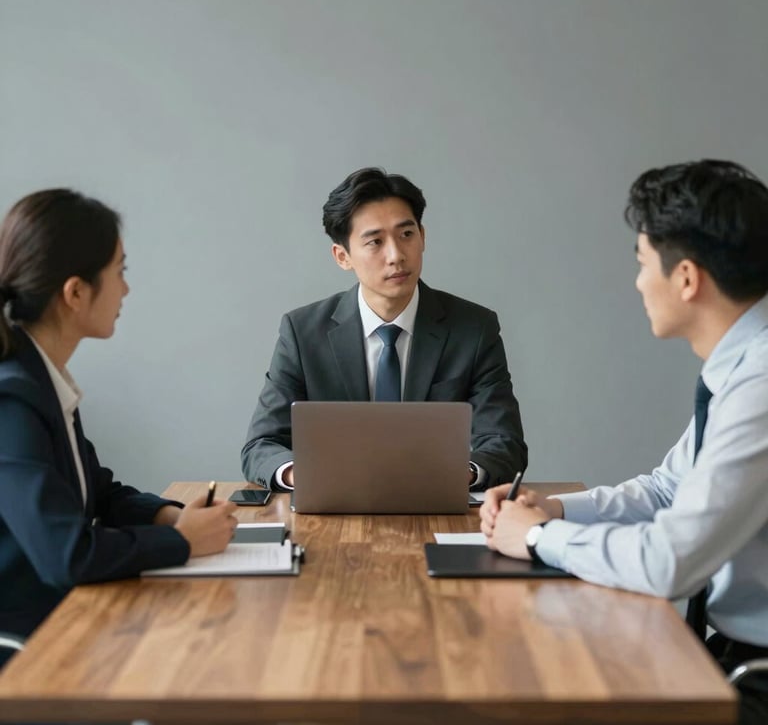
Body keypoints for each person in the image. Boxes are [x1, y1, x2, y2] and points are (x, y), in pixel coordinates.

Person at [480, 159, 768, 725]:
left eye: (641, 264)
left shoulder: (760, 385)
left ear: (686, 278)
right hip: (731, 655)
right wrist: (556, 508)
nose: (638, 282)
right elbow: (668, 489)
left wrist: (539, 538)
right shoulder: (740, 369)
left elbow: (671, 562)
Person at [0, 189, 238, 666]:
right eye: (120, 271)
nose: (126, 290)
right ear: (75, 292)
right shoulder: (13, 398)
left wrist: (170, 516)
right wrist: (184, 540)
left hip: (68, 624)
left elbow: (98, 491)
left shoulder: (42, 378)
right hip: (30, 650)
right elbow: (67, 553)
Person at [242, 167, 527, 491]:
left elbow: (505, 444)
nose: (395, 255)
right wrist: (302, 475)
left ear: (423, 236)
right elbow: (260, 445)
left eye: (406, 235)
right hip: (335, 506)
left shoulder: (474, 329)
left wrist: (463, 473)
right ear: (342, 256)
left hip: (435, 504)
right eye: (375, 242)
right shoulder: (303, 332)